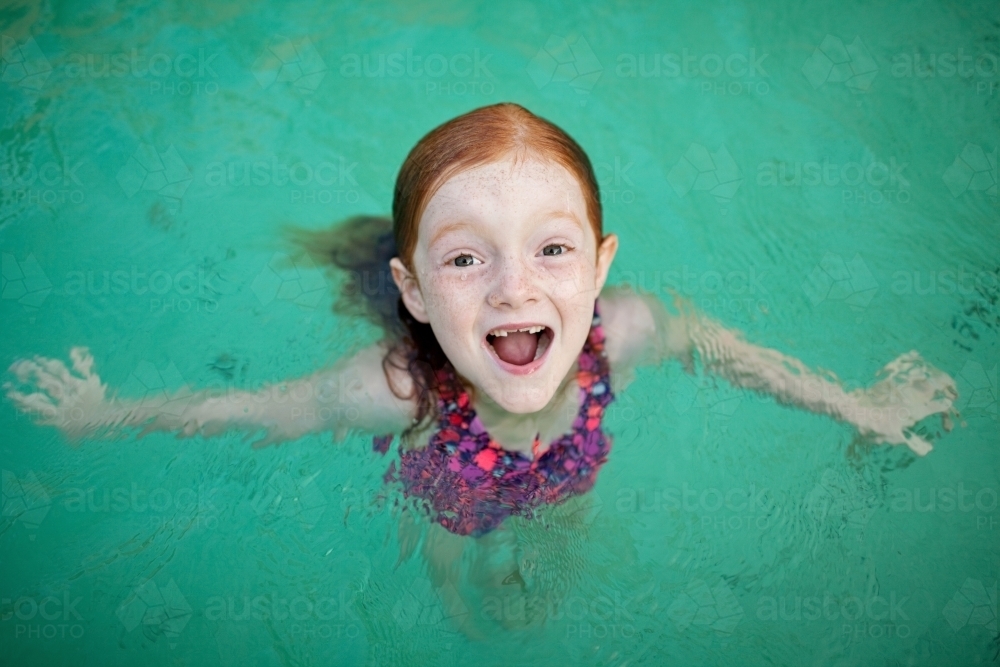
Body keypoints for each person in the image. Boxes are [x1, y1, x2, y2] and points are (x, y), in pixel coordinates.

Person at [5, 102, 958, 637]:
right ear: (415, 294)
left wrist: (860, 405)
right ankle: (469, 620)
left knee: (569, 519)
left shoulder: (621, 331)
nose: (512, 290)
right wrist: (106, 414)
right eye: (465, 260)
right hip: (452, 495)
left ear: (602, 263)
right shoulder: (394, 387)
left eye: (551, 251)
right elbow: (249, 408)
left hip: (567, 462)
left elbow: (738, 358)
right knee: (461, 573)